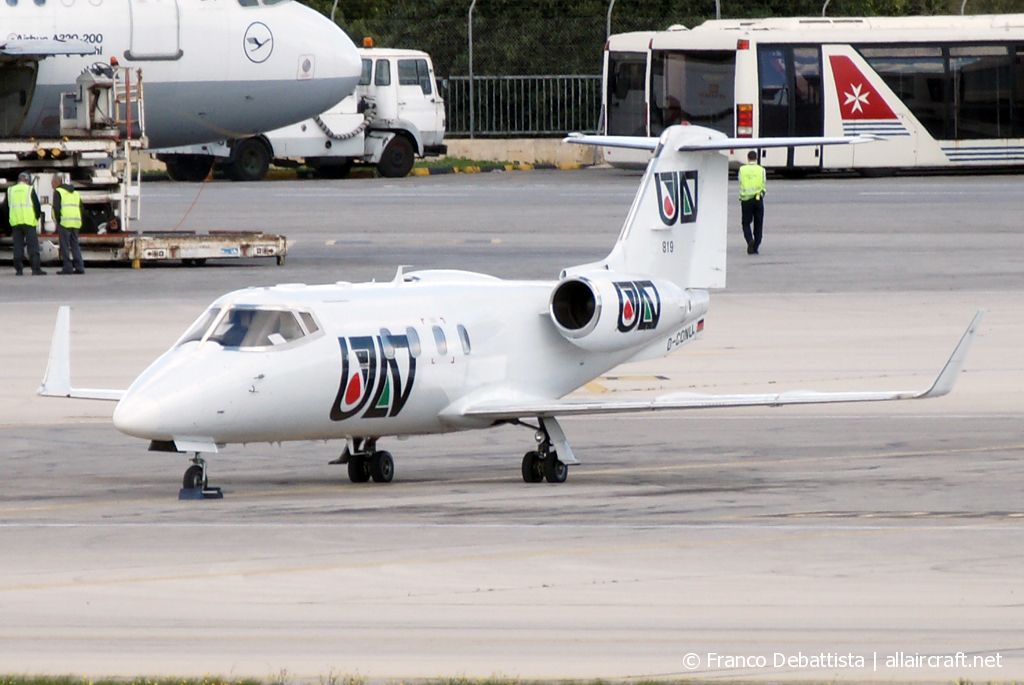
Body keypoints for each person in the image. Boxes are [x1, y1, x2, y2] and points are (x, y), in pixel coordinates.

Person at [6, 171, 46, 275]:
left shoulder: (10, 190)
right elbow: (37, 206)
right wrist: (37, 217)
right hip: (29, 222)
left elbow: (6, 207)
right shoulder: (29, 189)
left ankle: (19, 270)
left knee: (17, 247)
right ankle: (36, 269)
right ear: (27, 180)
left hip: (15, 223)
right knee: (32, 247)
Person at [51, 174, 86, 275]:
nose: (52, 186)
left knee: (64, 246)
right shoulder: (75, 192)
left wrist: (58, 221)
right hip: (75, 222)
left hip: (64, 222)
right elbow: (82, 208)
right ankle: (79, 266)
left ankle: (67, 267)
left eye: (52, 183)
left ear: (55, 182)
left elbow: (56, 208)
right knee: (75, 245)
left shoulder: (58, 192)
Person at [738, 150, 767, 255]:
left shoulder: (742, 169)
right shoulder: (761, 170)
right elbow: (764, 184)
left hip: (746, 200)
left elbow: (740, 182)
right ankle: (756, 245)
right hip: (758, 199)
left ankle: (750, 241)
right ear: (756, 158)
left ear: (748, 158)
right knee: (758, 223)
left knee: (746, 223)